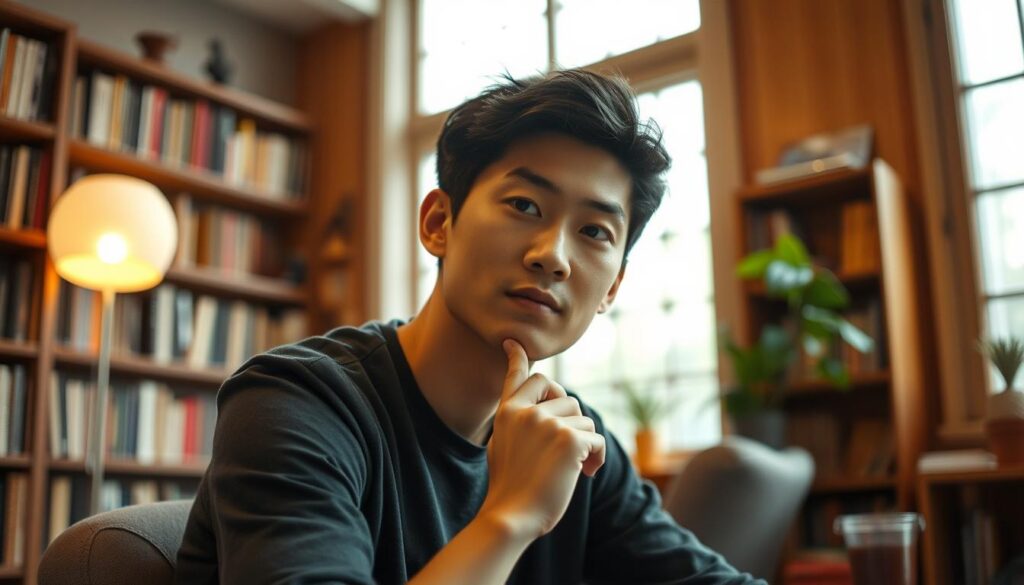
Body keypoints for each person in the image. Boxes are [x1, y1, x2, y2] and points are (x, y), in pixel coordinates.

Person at [175, 69, 764, 585]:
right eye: (525, 205)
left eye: (594, 232)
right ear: (438, 223)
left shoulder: (572, 441)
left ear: (612, 288)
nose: (553, 256)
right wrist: (510, 516)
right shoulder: (295, 403)